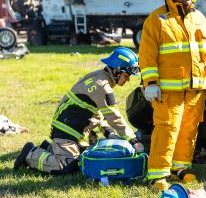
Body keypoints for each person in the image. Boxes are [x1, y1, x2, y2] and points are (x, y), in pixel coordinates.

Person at [139, 0, 206, 192]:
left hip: (195, 89)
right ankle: (157, 174)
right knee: (167, 129)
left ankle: (180, 169)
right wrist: (150, 83)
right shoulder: (157, 20)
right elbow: (147, 55)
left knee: (188, 131)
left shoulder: (199, 18)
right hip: (168, 92)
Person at [13, 47, 142, 174]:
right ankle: (30, 153)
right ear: (117, 70)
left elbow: (98, 112)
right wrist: (132, 139)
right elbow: (113, 116)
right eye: (126, 75)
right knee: (66, 166)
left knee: (85, 157)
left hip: (73, 128)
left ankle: (48, 148)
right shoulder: (103, 87)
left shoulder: (98, 76)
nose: (128, 80)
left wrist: (107, 130)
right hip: (67, 131)